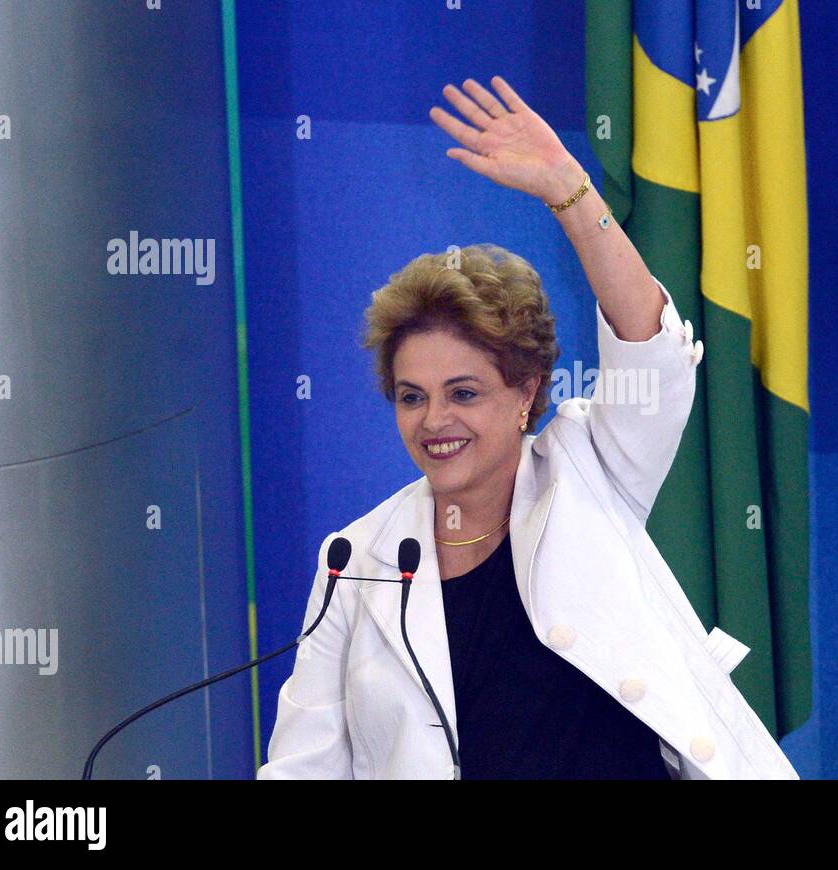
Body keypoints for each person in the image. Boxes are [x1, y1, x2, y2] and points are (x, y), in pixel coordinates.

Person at [257, 76, 799, 779]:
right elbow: (301, 768)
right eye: (411, 396)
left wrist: (569, 192)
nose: (435, 421)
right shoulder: (355, 562)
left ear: (526, 392)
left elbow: (653, 355)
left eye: (464, 392)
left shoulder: (588, 470)